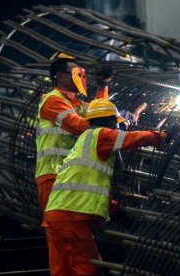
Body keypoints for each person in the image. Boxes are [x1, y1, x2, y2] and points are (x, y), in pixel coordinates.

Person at [44, 98, 168, 276]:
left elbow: (87, 187)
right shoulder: (101, 135)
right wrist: (160, 136)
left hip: (56, 214)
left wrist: (115, 211)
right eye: (115, 124)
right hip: (71, 217)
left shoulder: (85, 140)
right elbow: (129, 139)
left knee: (62, 270)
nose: (117, 128)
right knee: (88, 269)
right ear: (110, 121)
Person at [35, 53, 112, 213]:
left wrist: (103, 86)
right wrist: (110, 119)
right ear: (60, 77)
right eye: (77, 74)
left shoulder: (76, 104)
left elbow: (99, 111)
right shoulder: (53, 100)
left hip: (72, 173)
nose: (82, 78)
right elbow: (80, 126)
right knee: (63, 227)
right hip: (53, 175)